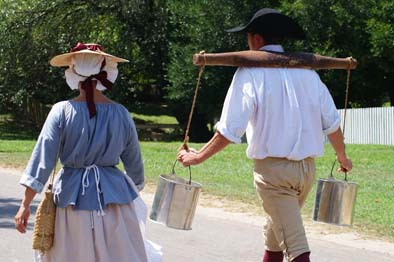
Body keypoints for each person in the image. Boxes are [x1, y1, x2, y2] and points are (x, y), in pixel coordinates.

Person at [178, 8, 352, 262]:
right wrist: (343, 156)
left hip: (273, 175)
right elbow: (332, 123)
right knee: (274, 239)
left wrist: (198, 157)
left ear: (256, 39)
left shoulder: (249, 73)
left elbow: (229, 129)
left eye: (248, 36)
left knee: (296, 248)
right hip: (306, 172)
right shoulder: (308, 73)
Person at [14, 42, 162, 262]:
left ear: (72, 72)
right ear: (107, 72)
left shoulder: (61, 111)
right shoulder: (121, 113)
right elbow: (134, 166)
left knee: (74, 254)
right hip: (114, 199)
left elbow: (43, 159)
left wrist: (25, 204)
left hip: (71, 199)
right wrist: (133, 190)